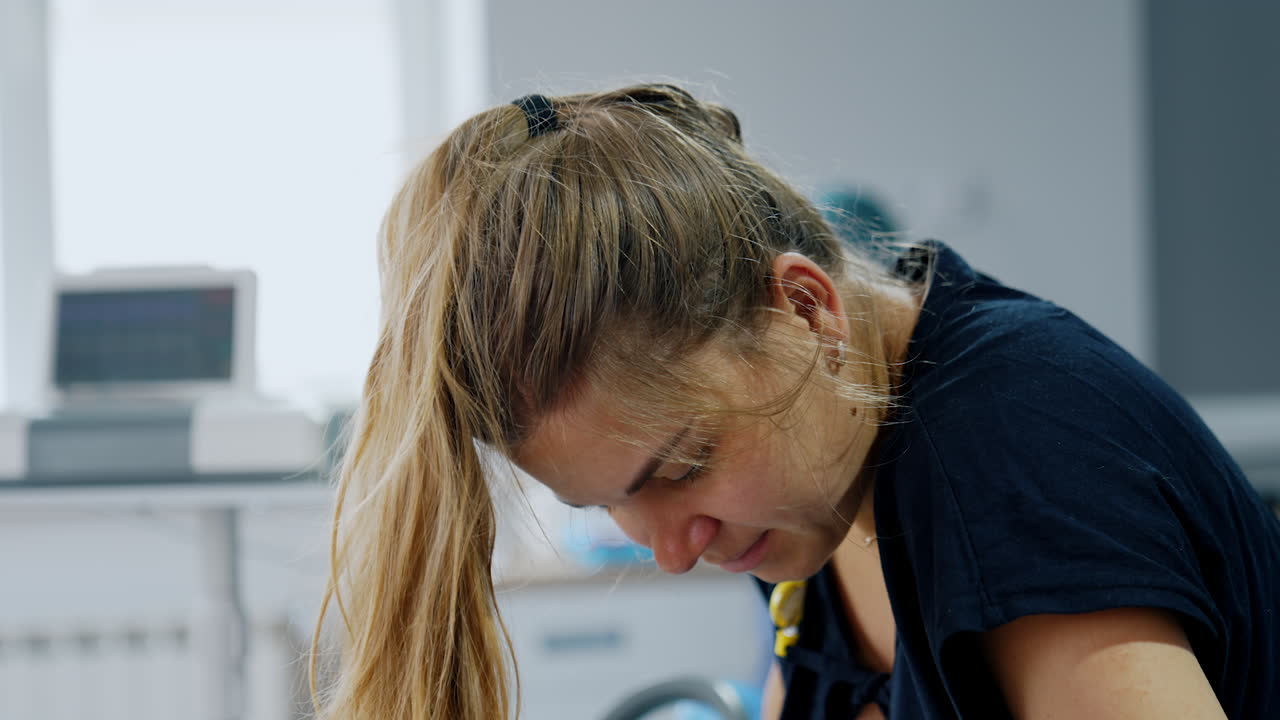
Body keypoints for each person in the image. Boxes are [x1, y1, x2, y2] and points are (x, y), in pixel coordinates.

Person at [312, 83, 1280, 720]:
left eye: (680, 467)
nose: (669, 550)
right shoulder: (813, 472)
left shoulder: (1010, 452)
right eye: (605, 504)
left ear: (806, 310)